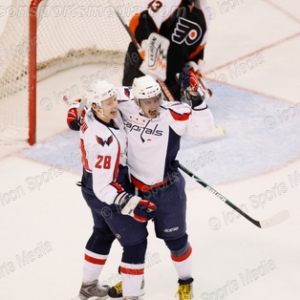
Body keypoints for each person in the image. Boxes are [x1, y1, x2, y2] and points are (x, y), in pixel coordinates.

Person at [108, 73, 214, 300]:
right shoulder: (125, 104)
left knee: (176, 242)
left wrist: (195, 98)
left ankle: (186, 282)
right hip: (133, 190)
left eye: (156, 99)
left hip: (167, 192)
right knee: (131, 241)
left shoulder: (172, 114)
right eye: (147, 101)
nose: (153, 105)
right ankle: (135, 280)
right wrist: (79, 107)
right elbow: (104, 96)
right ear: (136, 101)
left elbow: (204, 127)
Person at [65, 80, 156, 300]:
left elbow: (77, 101)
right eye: (108, 103)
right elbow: (103, 188)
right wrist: (131, 203)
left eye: (113, 100)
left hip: (90, 184)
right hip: (104, 189)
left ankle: (88, 287)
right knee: (135, 241)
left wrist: (72, 108)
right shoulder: (105, 143)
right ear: (96, 106)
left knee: (103, 233)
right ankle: (131, 295)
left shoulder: (92, 108)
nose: (114, 105)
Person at [122, 0, 211, 101]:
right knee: (134, 109)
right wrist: (151, 53)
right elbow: (140, 21)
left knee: (175, 112)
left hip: (171, 79)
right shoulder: (168, 1)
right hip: (141, 68)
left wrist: (192, 72)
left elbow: (196, 52)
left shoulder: (205, 12)